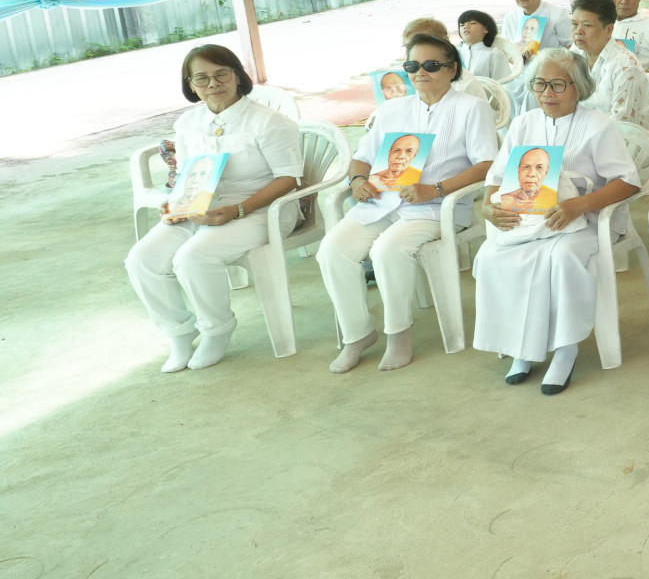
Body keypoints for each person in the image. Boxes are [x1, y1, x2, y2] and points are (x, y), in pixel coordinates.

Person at [322, 33, 499, 373]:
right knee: (332, 250)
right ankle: (357, 333)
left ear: (452, 69)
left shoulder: (471, 108)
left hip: (436, 208)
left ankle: (398, 333)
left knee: (387, 250)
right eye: (412, 65)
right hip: (382, 202)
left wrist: (435, 189)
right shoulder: (393, 108)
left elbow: (486, 165)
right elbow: (361, 158)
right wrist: (358, 181)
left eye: (431, 65)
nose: (421, 72)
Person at [470, 46, 641, 393]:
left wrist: (580, 205)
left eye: (558, 85)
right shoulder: (523, 123)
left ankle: (565, 349)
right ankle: (521, 348)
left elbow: (628, 182)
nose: (546, 94)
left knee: (559, 259)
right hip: (529, 219)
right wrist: (488, 208)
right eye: (539, 84)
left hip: (586, 219)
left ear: (578, 87)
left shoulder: (599, 125)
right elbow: (496, 178)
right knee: (492, 256)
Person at [125, 46, 304, 373]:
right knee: (141, 259)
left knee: (193, 257)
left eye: (222, 73)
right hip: (200, 209)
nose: (213, 83)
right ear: (190, 85)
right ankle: (179, 332)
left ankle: (216, 330)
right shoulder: (188, 122)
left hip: (262, 209)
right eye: (202, 77)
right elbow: (186, 172)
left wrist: (237, 210)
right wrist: (176, 200)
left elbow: (289, 179)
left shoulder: (269, 122)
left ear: (237, 75)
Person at [498, 0, 569, 112]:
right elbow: (507, 52)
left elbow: (572, 47)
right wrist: (518, 57)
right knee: (502, 93)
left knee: (532, 92)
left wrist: (551, 59)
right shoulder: (511, 17)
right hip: (520, 73)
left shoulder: (557, 14)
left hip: (551, 73)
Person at [566, 0, 643, 122]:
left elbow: (622, 122)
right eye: (574, 24)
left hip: (615, 136)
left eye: (587, 25)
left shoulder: (625, 65)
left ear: (609, 30)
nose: (578, 31)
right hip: (579, 128)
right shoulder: (575, 53)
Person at [455, 9, 520, 83]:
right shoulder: (453, 53)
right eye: (462, 25)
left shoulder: (494, 54)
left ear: (485, 29)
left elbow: (504, 84)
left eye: (472, 23)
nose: (466, 26)